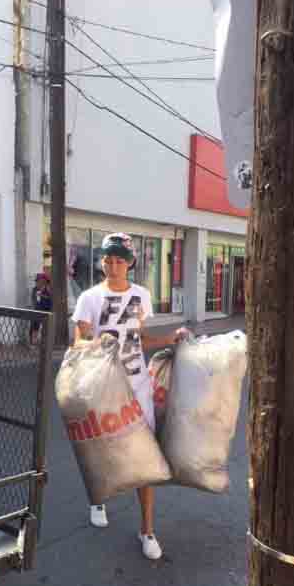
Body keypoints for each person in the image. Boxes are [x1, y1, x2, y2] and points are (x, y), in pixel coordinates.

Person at [72, 233, 189, 560]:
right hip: (103, 387)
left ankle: (147, 530)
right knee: (102, 451)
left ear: (130, 263)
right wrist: (97, 345)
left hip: (138, 386)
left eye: (119, 260)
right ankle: (97, 499)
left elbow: (138, 339)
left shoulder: (141, 295)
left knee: (144, 457)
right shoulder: (89, 298)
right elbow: (77, 343)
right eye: (107, 260)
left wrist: (170, 338)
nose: (112, 266)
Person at [30, 273, 53, 345]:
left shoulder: (49, 290)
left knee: (47, 326)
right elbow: (34, 300)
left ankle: (45, 342)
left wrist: (42, 295)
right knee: (34, 322)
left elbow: (51, 300)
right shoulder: (35, 289)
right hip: (38, 310)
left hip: (47, 311)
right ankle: (33, 341)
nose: (37, 283)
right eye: (37, 281)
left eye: (40, 281)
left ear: (45, 282)